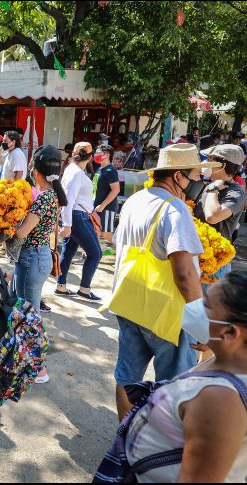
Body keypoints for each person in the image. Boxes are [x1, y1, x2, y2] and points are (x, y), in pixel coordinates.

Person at [112, 143, 219, 419]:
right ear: (178, 176)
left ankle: (125, 437)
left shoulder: (136, 199)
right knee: (175, 387)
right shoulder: (175, 209)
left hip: (129, 301)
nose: (198, 182)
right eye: (195, 176)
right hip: (164, 313)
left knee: (126, 377)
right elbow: (184, 274)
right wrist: (202, 325)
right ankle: (163, 442)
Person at [119, 272, 247, 482]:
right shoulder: (225, 359)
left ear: (230, 333)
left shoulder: (220, 401)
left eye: (205, 304)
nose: (195, 307)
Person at [8, 146, 67, 382]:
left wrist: (4, 221)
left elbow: (22, 232)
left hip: (32, 257)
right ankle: (22, 357)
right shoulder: (52, 194)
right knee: (23, 310)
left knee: (30, 314)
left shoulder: (44, 198)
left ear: (35, 171)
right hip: (36, 256)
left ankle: (38, 368)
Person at [55, 141, 102, 302]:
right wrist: (67, 224)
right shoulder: (75, 172)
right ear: (89, 157)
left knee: (68, 252)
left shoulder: (74, 170)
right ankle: (84, 289)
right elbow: (67, 200)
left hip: (76, 215)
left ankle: (61, 285)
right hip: (77, 216)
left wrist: (67, 223)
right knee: (95, 253)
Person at [196, 144, 247, 272]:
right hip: (198, 257)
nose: (206, 163)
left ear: (222, 166)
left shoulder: (235, 193)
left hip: (213, 264)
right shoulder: (212, 186)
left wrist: (213, 189)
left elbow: (212, 217)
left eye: (210, 160)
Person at [93, 145, 121, 247]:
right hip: (96, 207)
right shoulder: (99, 169)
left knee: (106, 233)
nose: (96, 155)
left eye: (99, 153)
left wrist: (103, 205)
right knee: (95, 230)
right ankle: (94, 252)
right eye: (96, 152)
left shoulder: (110, 171)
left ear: (107, 155)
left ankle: (121, 248)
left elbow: (116, 190)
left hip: (107, 208)